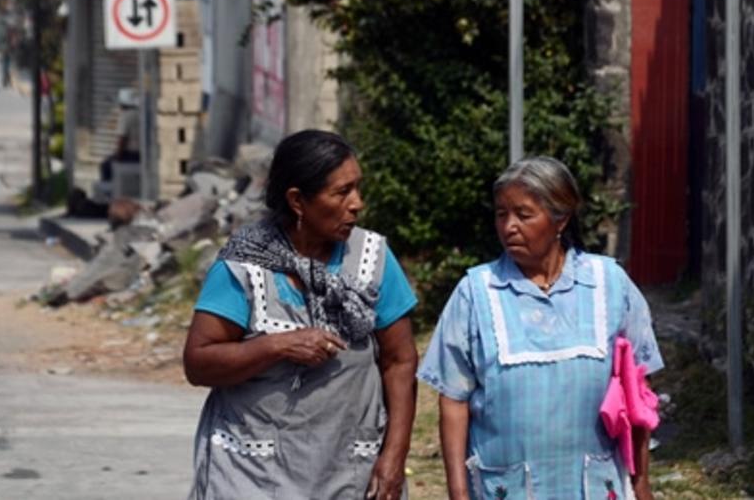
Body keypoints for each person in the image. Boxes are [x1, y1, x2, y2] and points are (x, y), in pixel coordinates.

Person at [184, 129, 419, 499]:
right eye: (341, 193)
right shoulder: (245, 265)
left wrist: (394, 455)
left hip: (349, 471)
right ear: (298, 200)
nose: (356, 204)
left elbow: (400, 361)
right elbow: (198, 363)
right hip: (253, 476)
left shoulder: (373, 259)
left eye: (357, 188)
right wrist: (275, 347)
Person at [418, 156, 663, 500]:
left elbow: (638, 393)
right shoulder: (475, 292)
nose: (509, 227)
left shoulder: (610, 284)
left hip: (595, 486)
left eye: (523, 214)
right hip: (505, 488)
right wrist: (458, 492)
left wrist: (641, 483)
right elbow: (454, 400)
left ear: (560, 218)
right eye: (501, 214)